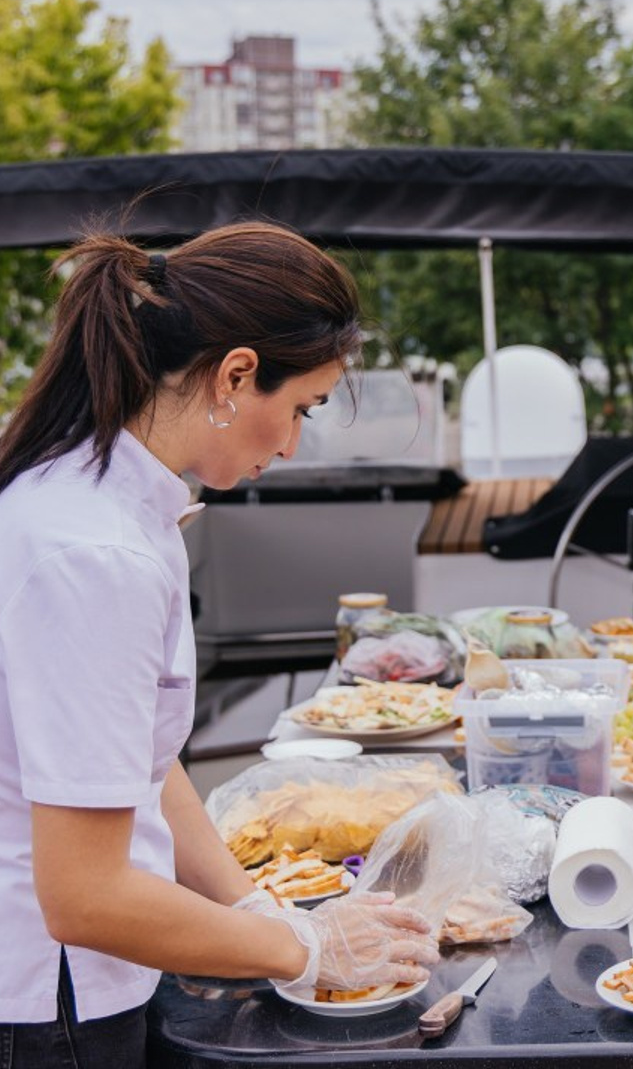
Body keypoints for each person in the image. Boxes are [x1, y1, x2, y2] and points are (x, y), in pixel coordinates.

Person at [0, 223, 438, 1068]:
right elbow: (85, 897)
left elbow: (136, 757)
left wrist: (259, 908)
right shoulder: (97, 553)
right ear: (236, 375)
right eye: (301, 408)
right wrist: (308, 950)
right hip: (48, 1001)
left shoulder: (101, 498)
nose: (293, 444)